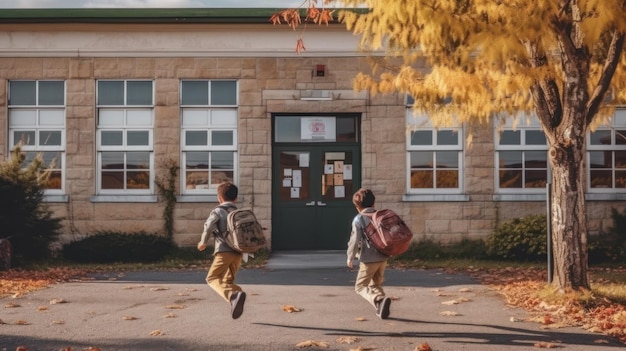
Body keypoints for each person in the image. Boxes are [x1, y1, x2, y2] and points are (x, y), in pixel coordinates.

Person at [197, 181, 246, 319]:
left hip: (224, 251)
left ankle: (233, 295)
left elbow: (208, 227)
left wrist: (203, 242)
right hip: (238, 253)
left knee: (212, 278)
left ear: (219, 198)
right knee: (227, 282)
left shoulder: (218, 211)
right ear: (236, 198)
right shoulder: (238, 212)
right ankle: (237, 294)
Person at [346, 188, 392, 319]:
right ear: (373, 203)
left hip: (369, 258)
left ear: (357, 206)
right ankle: (381, 306)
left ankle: (378, 299)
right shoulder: (380, 216)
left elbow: (355, 240)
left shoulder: (359, 219)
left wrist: (350, 257)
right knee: (375, 284)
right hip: (383, 256)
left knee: (360, 287)